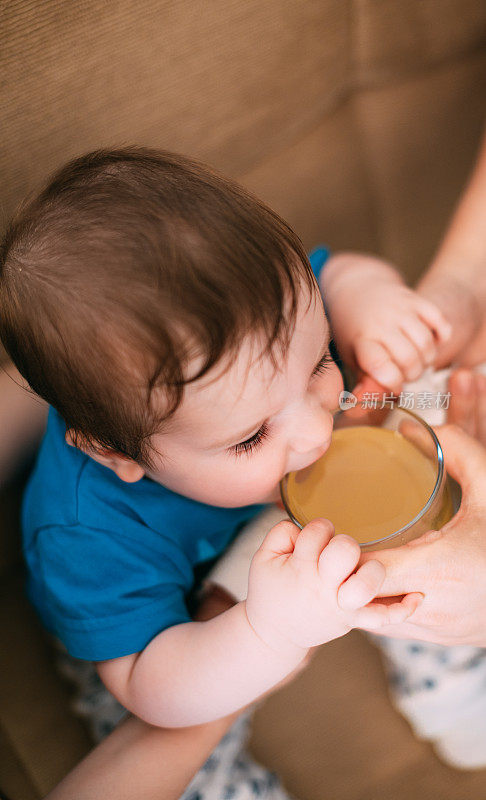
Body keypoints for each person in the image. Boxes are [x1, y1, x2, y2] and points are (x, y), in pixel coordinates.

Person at [0, 146, 444, 798]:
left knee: (426, 478)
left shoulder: (265, 316)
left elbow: (338, 274)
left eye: (319, 360)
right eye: (252, 435)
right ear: (117, 454)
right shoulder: (86, 537)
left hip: (297, 520)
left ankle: (447, 671)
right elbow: (154, 690)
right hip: (182, 635)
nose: (316, 430)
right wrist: (267, 634)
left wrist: (372, 298)